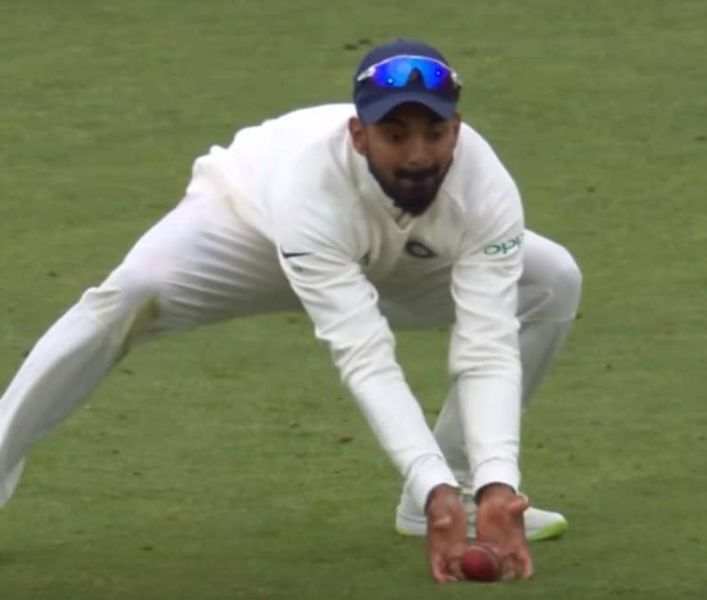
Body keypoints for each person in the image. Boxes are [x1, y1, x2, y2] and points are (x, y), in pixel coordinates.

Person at [0, 39, 581, 582]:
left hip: (400, 255)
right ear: (359, 135)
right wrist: (427, 480)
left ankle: (457, 491)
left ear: (456, 128)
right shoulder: (312, 183)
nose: (418, 154)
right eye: (395, 134)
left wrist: (497, 480)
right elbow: (366, 356)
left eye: (435, 133)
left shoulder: (486, 189)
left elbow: (487, 344)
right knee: (132, 293)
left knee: (552, 279)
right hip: (244, 229)